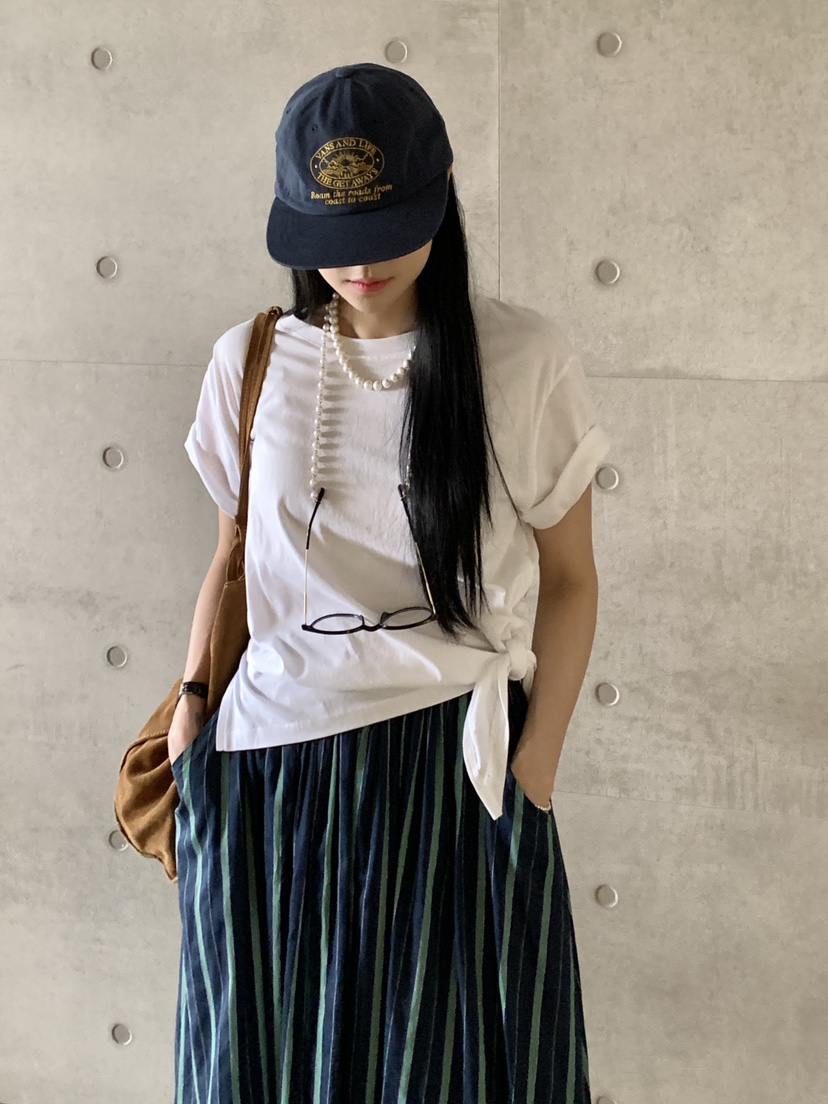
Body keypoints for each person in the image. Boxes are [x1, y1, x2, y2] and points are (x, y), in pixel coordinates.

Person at [168, 61, 611, 1103]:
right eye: (334, 236)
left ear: (442, 191)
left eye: (385, 228)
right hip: (268, 777)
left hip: (455, 776)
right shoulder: (250, 361)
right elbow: (232, 556)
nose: (360, 263)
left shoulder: (523, 359)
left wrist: (536, 771)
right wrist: (191, 714)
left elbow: (572, 579)